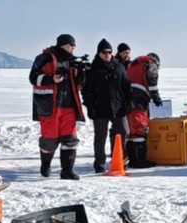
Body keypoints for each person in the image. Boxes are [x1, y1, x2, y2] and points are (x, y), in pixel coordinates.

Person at [28, 33, 85, 179]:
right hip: (49, 106)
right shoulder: (44, 58)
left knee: (70, 139)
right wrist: (51, 79)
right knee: (49, 139)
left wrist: (82, 76)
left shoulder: (72, 62)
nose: (73, 48)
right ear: (62, 44)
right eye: (70, 45)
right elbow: (33, 78)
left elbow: (78, 84)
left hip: (69, 106)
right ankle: (45, 165)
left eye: (74, 46)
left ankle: (67, 171)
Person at [80, 39, 129, 173]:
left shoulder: (119, 67)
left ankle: (119, 160)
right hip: (100, 108)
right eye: (104, 52)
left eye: (109, 52)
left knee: (122, 133)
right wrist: (91, 107)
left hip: (118, 107)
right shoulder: (92, 69)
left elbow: (126, 87)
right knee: (100, 137)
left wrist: (127, 104)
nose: (107, 54)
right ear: (99, 53)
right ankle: (99, 163)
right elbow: (86, 92)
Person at [120, 44, 162, 168]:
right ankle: (140, 161)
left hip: (128, 100)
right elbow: (152, 79)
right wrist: (156, 97)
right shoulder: (151, 63)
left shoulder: (134, 64)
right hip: (139, 100)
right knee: (140, 131)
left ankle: (132, 159)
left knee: (132, 132)